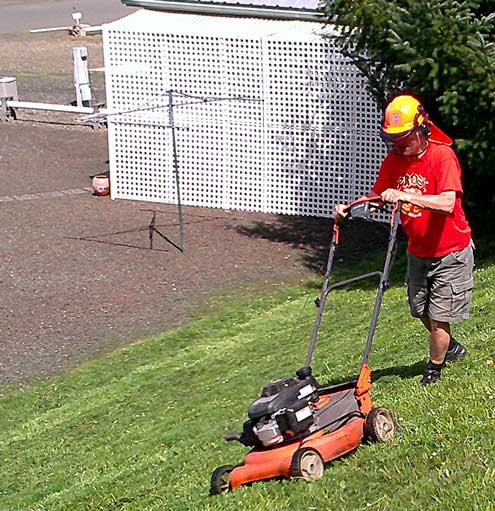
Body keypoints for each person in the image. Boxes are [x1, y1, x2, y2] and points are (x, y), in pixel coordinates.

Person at [335, 93, 474, 385]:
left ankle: (434, 369)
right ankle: (451, 348)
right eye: (393, 139)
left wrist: (406, 195)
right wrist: (353, 207)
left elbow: (448, 203)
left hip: (450, 249)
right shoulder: (394, 161)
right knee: (420, 310)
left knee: (439, 315)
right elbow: (379, 196)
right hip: (418, 251)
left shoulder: (441, 156)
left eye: (405, 138)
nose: (399, 145)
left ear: (422, 129)